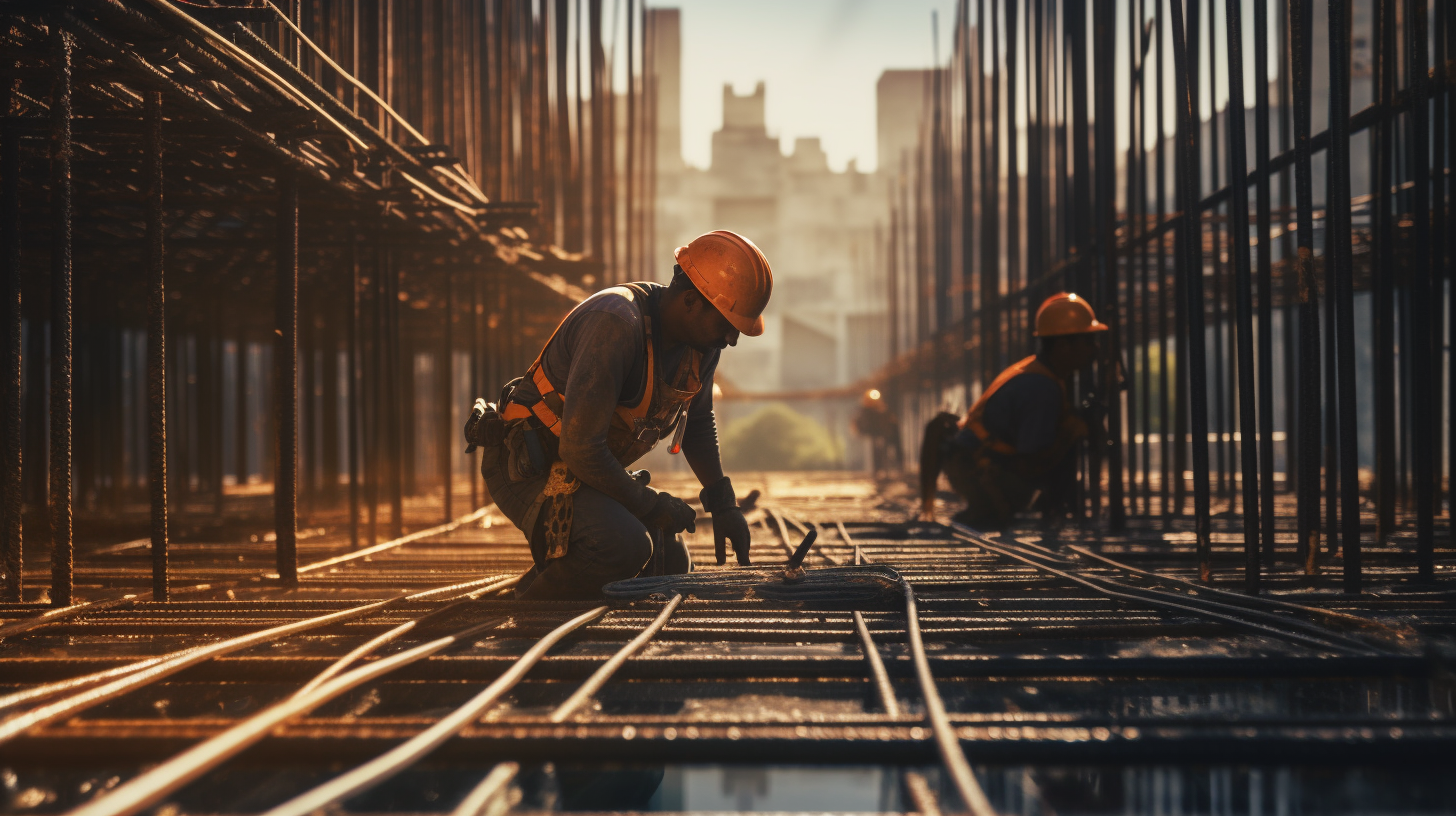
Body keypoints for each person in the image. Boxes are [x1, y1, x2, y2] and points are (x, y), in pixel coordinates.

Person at [467, 230, 772, 600]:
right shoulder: (615, 322)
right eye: (727, 325)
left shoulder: (702, 344)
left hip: (584, 471)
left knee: (669, 561)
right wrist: (650, 504)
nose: (731, 339)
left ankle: (555, 577)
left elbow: (698, 425)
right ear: (691, 300)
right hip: (529, 467)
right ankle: (525, 610)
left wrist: (724, 504)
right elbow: (580, 447)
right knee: (622, 548)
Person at [919, 292, 1106, 530]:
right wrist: (1071, 434)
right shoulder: (1041, 387)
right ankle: (991, 512)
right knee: (1067, 435)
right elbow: (1032, 458)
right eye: (1087, 341)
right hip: (980, 471)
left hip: (969, 462)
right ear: (1062, 345)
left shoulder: (1039, 372)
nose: (1094, 349)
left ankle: (995, 511)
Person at [853, 389, 903, 476]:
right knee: (875, 451)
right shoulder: (864, 411)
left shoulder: (882, 409)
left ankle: (890, 468)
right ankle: (877, 469)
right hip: (873, 433)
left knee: (883, 450)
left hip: (883, 433)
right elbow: (861, 422)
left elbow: (890, 420)